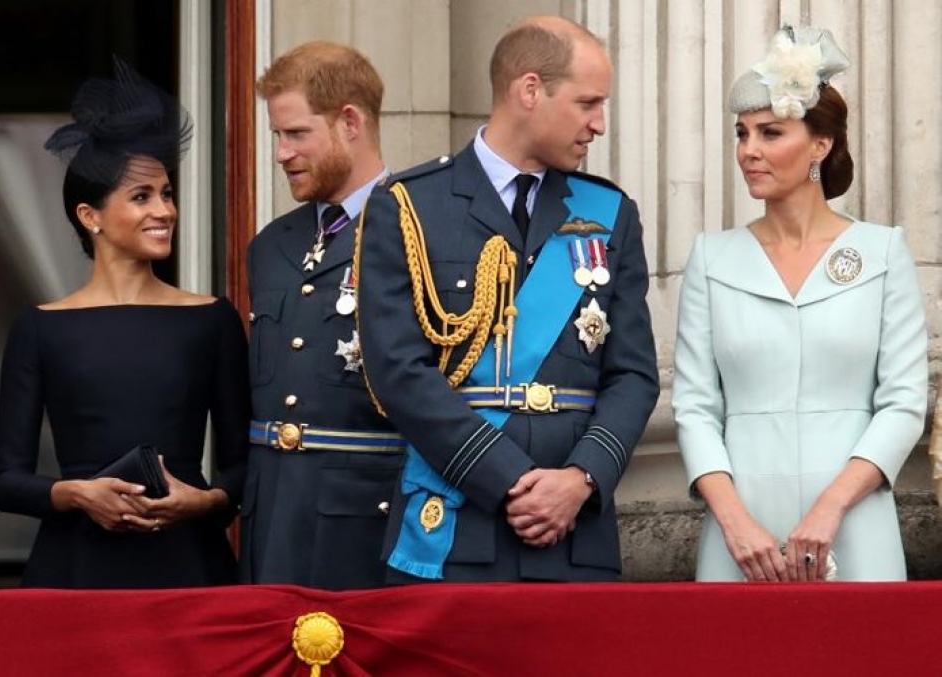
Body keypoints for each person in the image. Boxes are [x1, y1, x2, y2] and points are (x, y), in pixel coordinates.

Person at [356, 16, 659, 583]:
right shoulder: (409, 206)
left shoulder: (611, 213)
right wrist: (508, 479)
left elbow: (634, 375)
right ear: (529, 90)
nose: (599, 124)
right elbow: (396, 370)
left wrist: (581, 480)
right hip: (455, 520)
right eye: (588, 103)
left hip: (575, 533)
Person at [672, 26, 928, 582]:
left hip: (854, 522)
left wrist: (830, 508)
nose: (749, 151)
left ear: (820, 143)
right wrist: (735, 523)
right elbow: (694, 407)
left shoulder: (882, 252)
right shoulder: (713, 258)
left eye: (770, 132)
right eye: (742, 134)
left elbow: (905, 402)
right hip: (739, 535)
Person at [0, 58, 250, 589]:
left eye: (167, 193)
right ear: (92, 217)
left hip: (189, 567)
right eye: (142, 196)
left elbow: (249, 467)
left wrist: (206, 501)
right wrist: (76, 493)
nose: (165, 210)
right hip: (74, 571)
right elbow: (5, 482)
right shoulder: (41, 327)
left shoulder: (211, 318)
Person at [239, 42, 405, 589]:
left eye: (296, 134)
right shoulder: (270, 245)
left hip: (367, 527)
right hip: (271, 526)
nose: (281, 153)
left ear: (350, 122)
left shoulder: (419, 230)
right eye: (277, 136)